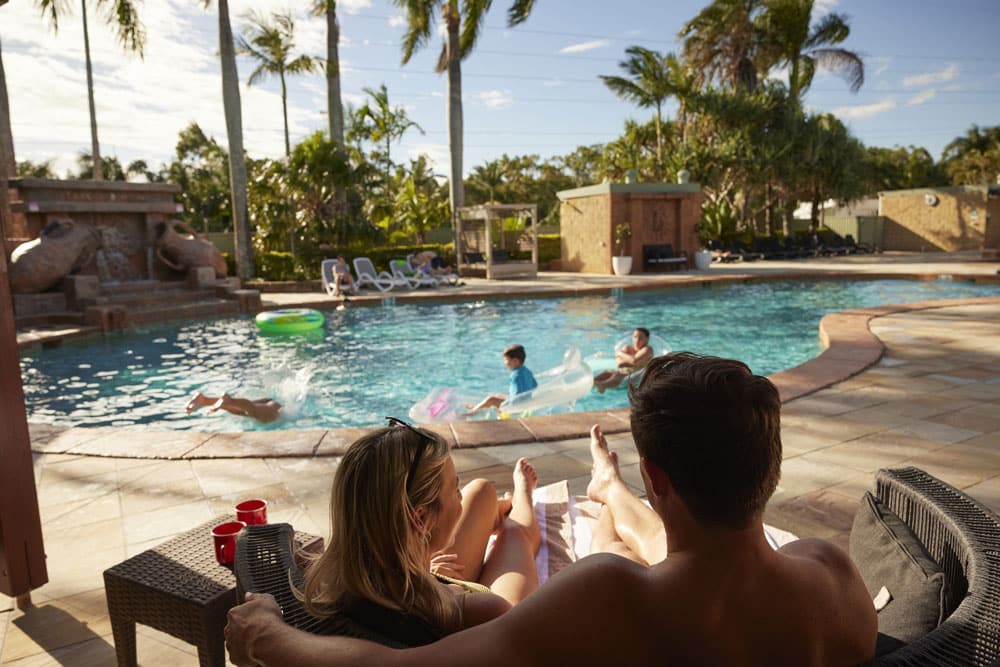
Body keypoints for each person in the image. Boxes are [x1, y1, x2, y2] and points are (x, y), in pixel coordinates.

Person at [225, 352, 877, 666]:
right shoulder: (833, 579)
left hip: (650, 571)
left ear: (660, 476)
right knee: (676, 549)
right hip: (722, 557)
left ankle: (608, 495)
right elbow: (723, 567)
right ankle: (608, 490)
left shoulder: (613, 596)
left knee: (619, 548)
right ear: (769, 466)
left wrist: (270, 635)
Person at [295, 417, 541, 647]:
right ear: (421, 519)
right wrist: (435, 585)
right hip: (462, 600)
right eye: (455, 490)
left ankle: (501, 509)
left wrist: (426, 573)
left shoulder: (333, 587)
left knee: (481, 491)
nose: (459, 498)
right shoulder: (487, 610)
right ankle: (523, 498)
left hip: (424, 573)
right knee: (516, 535)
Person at [468, 344, 537, 413]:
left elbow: (517, 396)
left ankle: (471, 413)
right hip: (526, 402)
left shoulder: (516, 375)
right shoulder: (527, 371)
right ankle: (477, 407)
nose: (505, 363)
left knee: (491, 399)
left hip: (516, 406)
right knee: (498, 395)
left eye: (506, 360)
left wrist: (504, 407)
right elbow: (535, 385)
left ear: (515, 361)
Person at [593, 327, 654, 393]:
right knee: (607, 372)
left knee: (618, 374)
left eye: (640, 338)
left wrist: (620, 353)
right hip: (624, 371)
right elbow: (620, 364)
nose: (637, 340)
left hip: (636, 375)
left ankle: (603, 385)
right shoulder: (628, 348)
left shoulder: (647, 349)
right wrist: (630, 361)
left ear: (647, 339)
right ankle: (592, 382)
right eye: (635, 337)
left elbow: (634, 360)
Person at [185, 391, 282, 424]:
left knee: (243, 411)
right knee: (253, 411)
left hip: (271, 402)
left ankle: (205, 400)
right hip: (276, 406)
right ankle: (228, 400)